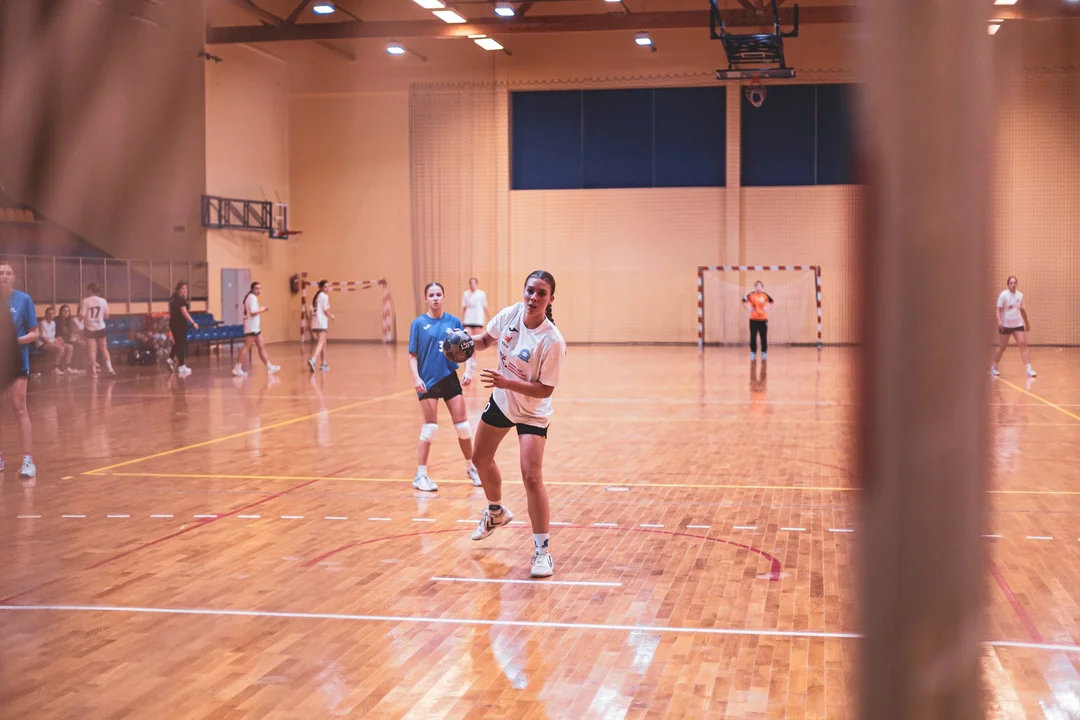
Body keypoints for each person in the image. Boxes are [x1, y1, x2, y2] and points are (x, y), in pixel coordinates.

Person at [467, 270, 566, 579]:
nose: (534, 297)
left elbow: (545, 390)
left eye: (541, 293)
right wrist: (463, 345)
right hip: (503, 401)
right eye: (530, 291)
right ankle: (495, 511)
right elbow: (485, 340)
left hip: (532, 410)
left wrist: (507, 382)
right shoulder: (511, 314)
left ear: (550, 299)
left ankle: (542, 552)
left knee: (531, 476)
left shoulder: (552, 340)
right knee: (480, 459)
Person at [408, 281, 481, 492]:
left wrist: (468, 370)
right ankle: (420, 475)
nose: (435, 298)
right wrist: (416, 378)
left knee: (463, 426)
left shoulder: (453, 321)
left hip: (449, 377)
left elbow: (466, 348)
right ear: (426, 298)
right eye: (431, 295)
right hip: (428, 380)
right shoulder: (418, 324)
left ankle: (471, 468)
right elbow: (412, 355)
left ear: (443, 297)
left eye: (438, 294)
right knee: (430, 427)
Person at [0, 261, 39, 478]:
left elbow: (35, 332)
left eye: (8, 273)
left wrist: (14, 342)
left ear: (13, 277)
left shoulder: (24, 300)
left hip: (17, 361)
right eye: (0, 273)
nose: (4, 276)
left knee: (19, 407)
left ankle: (28, 460)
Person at [233, 281, 280, 378]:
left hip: (254, 327)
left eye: (260, 288)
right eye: (256, 288)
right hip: (252, 327)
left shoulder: (251, 297)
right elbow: (253, 312)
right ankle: (237, 368)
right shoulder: (252, 298)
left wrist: (261, 309)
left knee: (261, 346)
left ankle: (269, 367)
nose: (259, 290)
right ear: (252, 289)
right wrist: (263, 309)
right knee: (246, 347)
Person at [991, 275, 1036, 378]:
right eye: (1011, 283)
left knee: (1023, 344)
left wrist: (1027, 323)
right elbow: (998, 310)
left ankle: (1029, 369)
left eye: (1015, 283)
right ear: (1008, 285)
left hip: (1017, 324)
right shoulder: (1003, 295)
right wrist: (999, 321)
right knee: (1002, 347)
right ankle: (993, 366)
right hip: (1006, 325)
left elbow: (1022, 310)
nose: (1013, 284)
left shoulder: (1020, 295)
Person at [79, 283, 114, 377]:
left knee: (92, 350)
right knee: (104, 348)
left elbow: (82, 315)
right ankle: (110, 369)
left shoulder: (85, 301)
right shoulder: (103, 301)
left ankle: (94, 372)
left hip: (89, 327)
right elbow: (106, 315)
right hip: (100, 327)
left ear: (90, 290)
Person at [167, 281, 199, 376]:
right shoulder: (180, 300)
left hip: (173, 323)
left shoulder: (172, 300)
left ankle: (170, 358)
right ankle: (181, 365)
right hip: (179, 324)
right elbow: (184, 313)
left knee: (179, 342)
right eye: (183, 289)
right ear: (178, 290)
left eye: (186, 288)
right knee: (181, 344)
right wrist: (193, 322)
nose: (185, 290)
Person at [461, 277, 488, 377]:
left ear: (477, 284)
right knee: (467, 340)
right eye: (471, 283)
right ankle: (469, 359)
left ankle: (474, 360)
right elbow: (464, 308)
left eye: (474, 283)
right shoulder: (466, 294)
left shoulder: (481, 294)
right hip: (468, 319)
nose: (472, 285)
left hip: (477, 320)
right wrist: (462, 319)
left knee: (475, 341)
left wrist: (489, 318)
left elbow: (485, 307)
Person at [743, 280, 774, 360]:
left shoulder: (765, 295)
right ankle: (753, 352)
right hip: (753, 320)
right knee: (753, 337)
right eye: (757, 285)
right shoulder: (751, 295)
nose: (758, 287)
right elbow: (743, 300)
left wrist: (767, 309)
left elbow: (772, 302)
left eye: (760, 285)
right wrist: (749, 308)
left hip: (763, 320)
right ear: (755, 287)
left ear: (762, 287)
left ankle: (764, 352)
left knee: (763, 337)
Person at [308, 280, 335, 372]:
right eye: (325, 286)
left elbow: (312, 310)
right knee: (321, 342)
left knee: (324, 342)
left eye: (328, 286)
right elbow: (325, 311)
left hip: (315, 322)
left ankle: (324, 363)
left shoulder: (317, 296)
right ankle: (313, 360)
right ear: (321, 287)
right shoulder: (324, 296)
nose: (327, 288)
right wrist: (331, 316)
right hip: (321, 322)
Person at [38, 307, 70, 376]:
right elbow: (44, 338)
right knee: (60, 348)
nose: (51, 315)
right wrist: (56, 344)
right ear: (46, 314)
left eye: (53, 314)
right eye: (49, 314)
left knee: (69, 347)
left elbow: (52, 336)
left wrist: (58, 341)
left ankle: (66, 367)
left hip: (51, 342)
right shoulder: (42, 323)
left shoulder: (53, 323)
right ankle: (54, 368)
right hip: (42, 344)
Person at [57, 304, 85, 374]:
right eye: (64, 311)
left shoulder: (69, 321)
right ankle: (63, 367)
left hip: (67, 340)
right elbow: (55, 333)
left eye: (68, 311)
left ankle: (68, 367)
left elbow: (68, 334)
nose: (66, 312)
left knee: (73, 346)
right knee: (71, 346)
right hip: (57, 340)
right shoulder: (56, 320)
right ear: (60, 312)